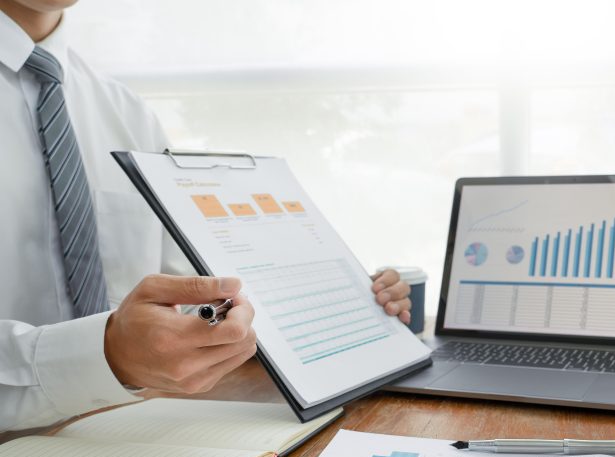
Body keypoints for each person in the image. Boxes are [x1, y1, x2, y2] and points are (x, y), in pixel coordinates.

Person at [0, 0, 412, 432]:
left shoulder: (127, 113)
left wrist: (346, 306)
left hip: (132, 434)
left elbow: (191, 293)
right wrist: (101, 357)